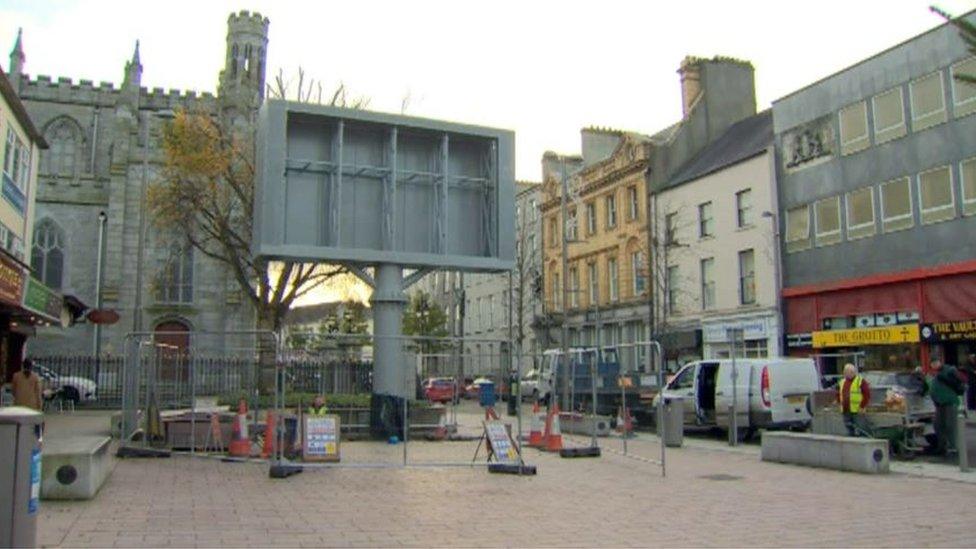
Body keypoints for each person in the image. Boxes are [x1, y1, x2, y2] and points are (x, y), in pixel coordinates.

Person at [927, 359, 965, 456]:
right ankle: (942, 446)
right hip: (939, 404)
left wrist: (944, 377)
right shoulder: (934, 375)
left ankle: (953, 448)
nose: (934, 365)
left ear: (940, 362)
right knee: (938, 425)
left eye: (936, 363)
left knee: (950, 425)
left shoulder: (948, 369)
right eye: (932, 364)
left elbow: (959, 380)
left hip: (949, 402)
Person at [837, 363, 871, 436]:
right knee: (849, 429)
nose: (845, 374)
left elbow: (867, 395)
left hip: (857, 410)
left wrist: (862, 406)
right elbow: (838, 393)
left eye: (846, 372)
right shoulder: (842, 381)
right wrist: (839, 403)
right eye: (845, 372)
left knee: (861, 429)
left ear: (853, 372)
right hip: (846, 410)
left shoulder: (860, 381)